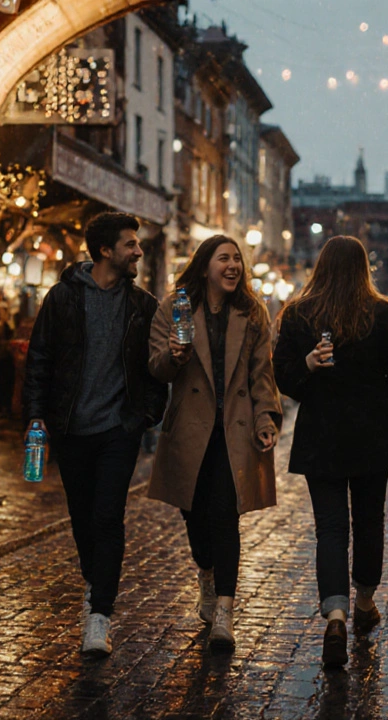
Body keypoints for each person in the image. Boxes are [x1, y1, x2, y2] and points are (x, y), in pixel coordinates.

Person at [22, 212, 167, 657]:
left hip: (118, 430)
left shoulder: (142, 306)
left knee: (108, 516)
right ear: (106, 250)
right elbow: (39, 360)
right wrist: (35, 416)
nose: (138, 251)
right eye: (130, 244)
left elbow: (156, 369)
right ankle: (94, 580)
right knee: (83, 518)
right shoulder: (63, 298)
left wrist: (143, 417)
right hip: (70, 428)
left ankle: (99, 615)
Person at [272, 236, 388, 668]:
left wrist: (307, 369)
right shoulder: (382, 312)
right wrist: (387, 415)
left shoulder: (299, 314)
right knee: (369, 520)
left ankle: (334, 614)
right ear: (363, 269)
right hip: (373, 437)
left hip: (322, 436)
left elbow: (285, 380)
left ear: (320, 266)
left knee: (330, 528)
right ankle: (365, 602)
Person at [147, 235, 282, 653]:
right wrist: (173, 356)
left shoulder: (253, 313)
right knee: (195, 516)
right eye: (224, 258)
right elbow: (156, 367)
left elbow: (262, 375)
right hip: (191, 429)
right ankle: (205, 572)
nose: (233, 266)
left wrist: (265, 418)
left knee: (226, 516)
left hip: (234, 430)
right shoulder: (175, 307)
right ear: (204, 265)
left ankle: (225, 609)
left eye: (237, 259)